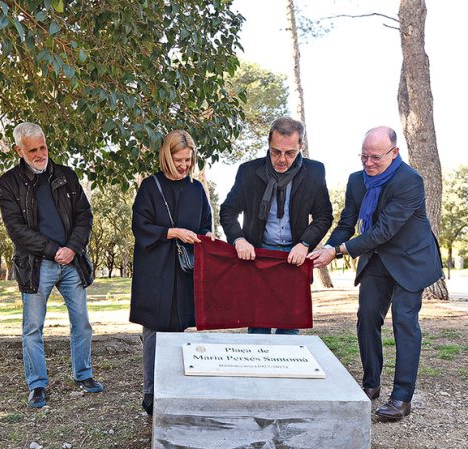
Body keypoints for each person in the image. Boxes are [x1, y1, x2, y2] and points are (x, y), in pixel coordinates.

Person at [308, 126, 442, 421]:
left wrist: (340, 251)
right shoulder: (357, 181)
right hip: (377, 259)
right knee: (367, 317)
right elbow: (347, 222)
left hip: (411, 260)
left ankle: (402, 398)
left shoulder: (410, 181)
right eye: (363, 156)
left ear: (394, 153)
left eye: (375, 158)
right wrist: (327, 246)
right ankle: (370, 385)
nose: (368, 163)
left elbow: (383, 230)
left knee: (405, 322)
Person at [0, 122, 102, 409]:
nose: (40, 153)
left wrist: (72, 248)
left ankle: (83, 375)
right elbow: (15, 229)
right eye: (33, 150)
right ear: (19, 150)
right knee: (33, 328)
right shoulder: (9, 183)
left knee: (81, 322)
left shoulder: (66, 176)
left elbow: (85, 216)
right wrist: (54, 250)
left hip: (72, 262)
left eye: (43, 147)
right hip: (36, 265)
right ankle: (37, 385)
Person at [220, 117, 333, 334]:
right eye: (275, 152)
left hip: (295, 257)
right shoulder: (248, 171)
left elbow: (323, 216)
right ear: (269, 145)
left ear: (301, 146)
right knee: (258, 330)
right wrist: (239, 239)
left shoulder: (315, 172)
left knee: (289, 330)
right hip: (258, 257)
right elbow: (228, 211)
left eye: (290, 153)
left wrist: (305, 244)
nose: (281, 159)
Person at [130, 130, 214, 415]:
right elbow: (140, 226)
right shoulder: (150, 187)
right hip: (156, 269)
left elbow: (205, 224)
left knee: (181, 329)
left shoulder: (196, 189)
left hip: (185, 270)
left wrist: (207, 236)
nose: (184, 165)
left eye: (188, 160)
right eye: (179, 159)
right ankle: (151, 393)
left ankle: (177, 387)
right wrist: (172, 232)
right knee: (154, 330)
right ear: (167, 156)